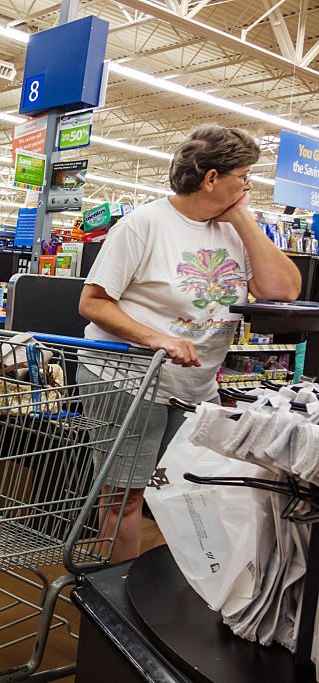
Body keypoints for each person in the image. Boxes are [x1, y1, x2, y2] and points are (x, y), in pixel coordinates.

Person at [78, 125, 300, 563]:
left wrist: (242, 218)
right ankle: (113, 601)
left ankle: (181, 593)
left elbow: (283, 289)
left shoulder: (235, 230)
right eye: (245, 175)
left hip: (196, 389)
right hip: (127, 381)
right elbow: (93, 302)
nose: (250, 185)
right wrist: (157, 337)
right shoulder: (144, 224)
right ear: (212, 178)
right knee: (125, 499)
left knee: (192, 491)